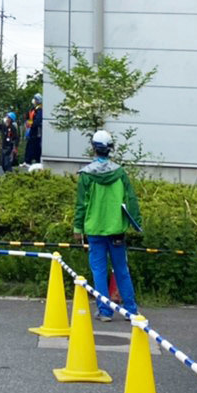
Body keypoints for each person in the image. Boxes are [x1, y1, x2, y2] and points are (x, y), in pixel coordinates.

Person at [73, 129, 141, 321]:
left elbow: (81, 205)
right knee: (121, 269)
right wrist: (137, 224)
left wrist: (78, 228)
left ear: (93, 148)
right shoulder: (120, 173)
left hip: (94, 229)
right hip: (117, 228)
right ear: (110, 149)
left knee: (99, 271)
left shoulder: (86, 175)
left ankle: (105, 311)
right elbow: (131, 200)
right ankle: (131, 310)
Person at [23, 93, 44, 165]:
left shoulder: (40, 110)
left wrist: (31, 124)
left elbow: (37, 121)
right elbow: (29, 117)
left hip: (36, 131)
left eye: (35, 99)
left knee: (34, 146)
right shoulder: (34, 109)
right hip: (32, 130)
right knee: (32, 146)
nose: (33, 101)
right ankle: (30, 160)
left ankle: (30, 161)